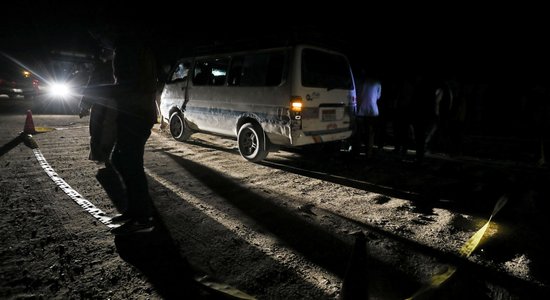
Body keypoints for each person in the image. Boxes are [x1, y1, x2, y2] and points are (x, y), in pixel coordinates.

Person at [83, 22, 158, 235]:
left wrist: (94, 92)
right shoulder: (131, 47)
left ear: (110, 30)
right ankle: (135, 212)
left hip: (136, 114)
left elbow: (128, 85)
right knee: (124, 161)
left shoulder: (127, 48)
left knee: (127, 162)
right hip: (136, 113)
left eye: (100, 37)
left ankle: (142, 218)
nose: (100, 42)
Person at [353, 71, 382, 160]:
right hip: (373, 110)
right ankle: (368, 153)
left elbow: (358, 95)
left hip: (361, 109)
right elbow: (378, 97)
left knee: (358, 131)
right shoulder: (377, 83)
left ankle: (356, 152)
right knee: (370, 132)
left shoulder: (362, 82)